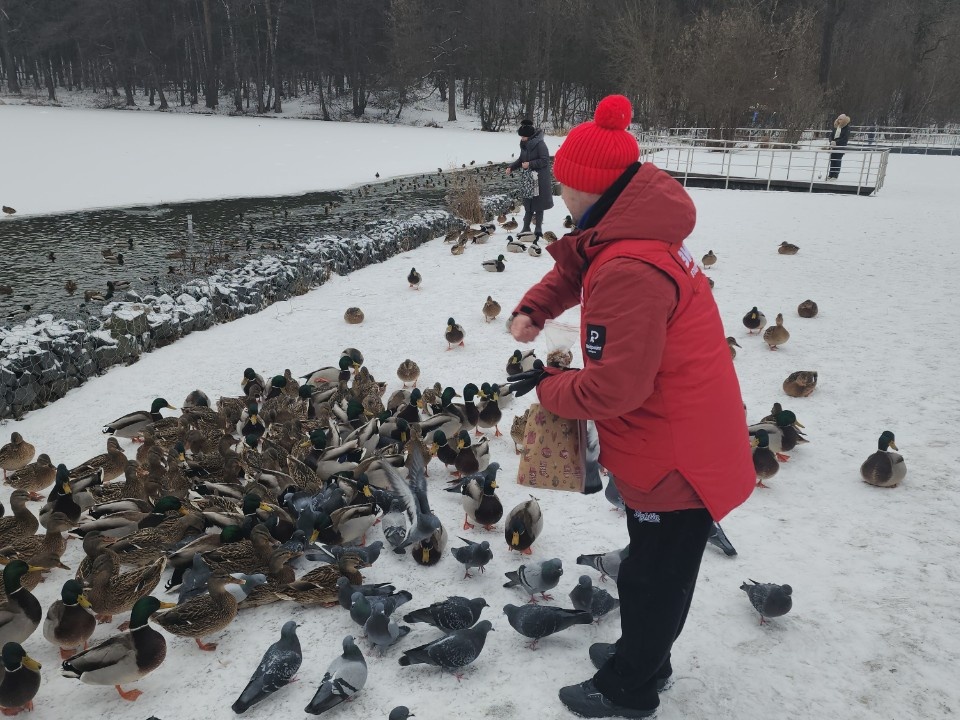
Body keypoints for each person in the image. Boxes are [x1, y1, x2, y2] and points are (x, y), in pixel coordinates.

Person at [507, 95, 755, 718]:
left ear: (585, 187)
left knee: (652, 580)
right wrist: (537, 306)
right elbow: (581, 261)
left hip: (676, 455)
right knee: (652, 565)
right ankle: (646, 658)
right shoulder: (632, 229)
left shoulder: (630, 269)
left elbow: (612, 390)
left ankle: (631, 686)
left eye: (562, 182)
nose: (558, 192)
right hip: (679, 434)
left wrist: (547, 386)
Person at [505, 118, 554, 238]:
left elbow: (545, 160)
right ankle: (526, 227)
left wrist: (530, 164)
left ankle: (538, 229)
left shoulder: (540, 144)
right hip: (528, 180)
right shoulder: (524, 145)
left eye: (523, 136)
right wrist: (511, 167)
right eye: (521, 136)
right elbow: (521, 160)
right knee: (528, 204)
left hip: (539, 179)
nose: (522, 138)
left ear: (529, 135)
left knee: (538, 205)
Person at [828, 113, 851, 179]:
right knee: (832, 160)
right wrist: (831, 141)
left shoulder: (847, 128)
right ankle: (830, 174)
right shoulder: (836, 127)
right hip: (833, 147)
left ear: (844, 120)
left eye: (841, 119)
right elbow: (831, 135)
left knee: (837, 160)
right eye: (838, 119)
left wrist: (836, 142)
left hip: (840, 147)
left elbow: (845, 138)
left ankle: (835, 175)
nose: (839, 121)